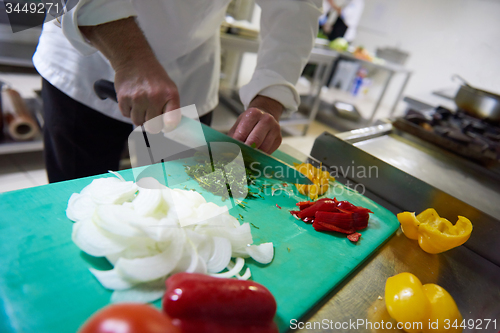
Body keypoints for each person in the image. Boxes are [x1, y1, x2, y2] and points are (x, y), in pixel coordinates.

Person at [33, 0, 322, 183]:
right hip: (87, 62)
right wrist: (129, 58)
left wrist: (270, 95)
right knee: (79, 199)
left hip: (189, 71)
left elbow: (297, 6)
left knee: (185, 204)